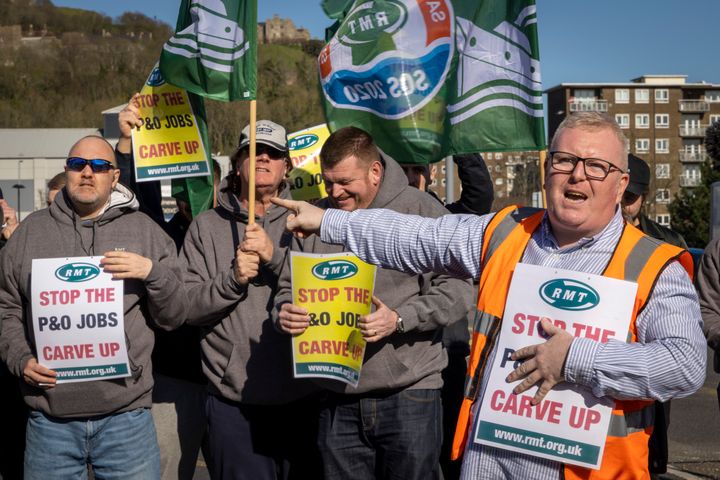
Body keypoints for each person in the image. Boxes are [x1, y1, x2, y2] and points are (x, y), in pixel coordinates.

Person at [272, 112, 706, 479]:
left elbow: (684, 365)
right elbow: (414, 236)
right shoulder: (504, 232)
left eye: (596, 166)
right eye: (564, 160)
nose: (577, 174)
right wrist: (327, 222)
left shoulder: (655, 266)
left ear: (621, 184)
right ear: (546, 169)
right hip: (488, 463)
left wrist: (574, 358)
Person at [276, 126, 474, 480]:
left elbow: (458, 289)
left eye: (345, 182)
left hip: (410, 393)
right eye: (328, 182)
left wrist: (400, 318)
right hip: (335, 396)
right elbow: (288, 286)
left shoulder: (421, 209)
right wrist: (285, 312)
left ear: (375, 171)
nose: (335, 193)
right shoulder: (315, 215)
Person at [0, 135, 187, 479]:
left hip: (126, 418)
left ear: (114, 177)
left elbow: (174, 316)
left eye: (99, 166)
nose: (88, 172)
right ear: (66, 171)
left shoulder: (145, 231)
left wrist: (151, 272)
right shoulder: (29, 234)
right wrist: (20, 358)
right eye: (78, 164)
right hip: (50, 422)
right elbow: (7, 307)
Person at [181, 120, 322, 479]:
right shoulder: (206, 226)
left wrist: (274, 256)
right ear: (238, 162)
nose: (263, 159)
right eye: (253, 151)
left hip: (306, 396)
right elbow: (185, 306)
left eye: (273, 154)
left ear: (286, 166)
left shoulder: (311, 219)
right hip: (234, 401)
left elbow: (329, 289)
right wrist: (232, 279)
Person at [114, 96, 220, 480]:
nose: (190, 193)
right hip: (176, 380)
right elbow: (128, 202)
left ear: (219, 184)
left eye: (201, 183)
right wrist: (126, 146)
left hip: (234, 386)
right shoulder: (160, 230)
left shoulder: (238, 231)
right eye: (184, 184)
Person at [401, 152, 494, 480]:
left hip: (450, 351)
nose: (412, 177)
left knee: (451, 448)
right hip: (407, 361)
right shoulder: (382, 221)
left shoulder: (448, 218)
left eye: (417, 170)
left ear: (429, 173)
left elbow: (479, 196)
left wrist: (462, 144)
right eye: (404, 170)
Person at [621, 153, 688, 477]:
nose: (623, 204)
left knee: (652, 440)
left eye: (631, 198)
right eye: (620, 195)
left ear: (643, 198)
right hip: (607, 355)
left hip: (651, 358)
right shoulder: (588, 238)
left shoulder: (668, 243)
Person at [622, 154, 687, 248]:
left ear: (643, 199)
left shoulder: (670, 242)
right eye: (615, 195)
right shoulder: (595, 236)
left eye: (629, 197)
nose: (621, 203)